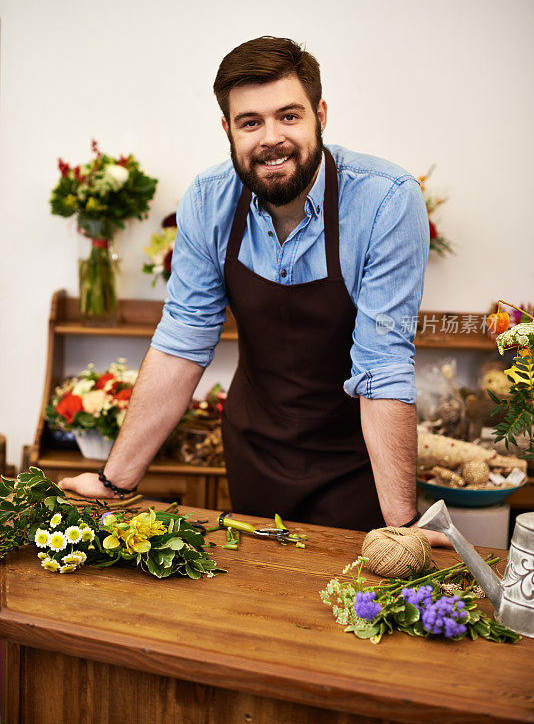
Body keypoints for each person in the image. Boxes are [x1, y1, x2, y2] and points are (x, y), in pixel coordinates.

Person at [60, 36, 447, 545]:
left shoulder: (386, 201)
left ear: (320, 115)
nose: (271, 138)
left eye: (289, 116)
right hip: (253, 450)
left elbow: (382, 364)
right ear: (228, 129)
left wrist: (401, 526)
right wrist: (114, 483)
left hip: (354, 460)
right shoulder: (208, 198)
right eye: (250, 122)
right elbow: (183, 340)